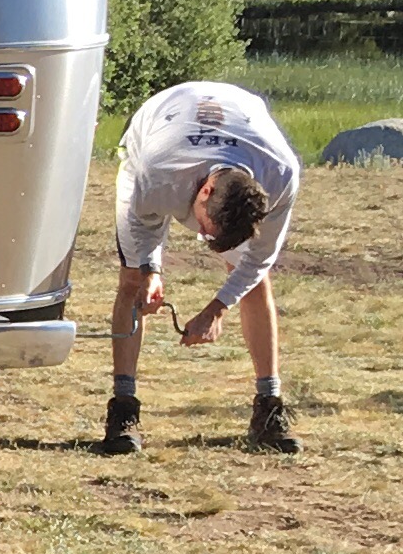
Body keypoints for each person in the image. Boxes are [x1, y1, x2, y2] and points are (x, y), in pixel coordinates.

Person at [101, 79, 302, 455]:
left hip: (240, 113)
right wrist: (150, 271)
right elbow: (142, 225)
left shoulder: (280, 176)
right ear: (205, 192)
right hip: (159, 125)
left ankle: (269, 407)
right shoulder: (158, 172)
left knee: (256, 283)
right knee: (131, 281)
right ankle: (123, 409)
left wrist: (217, 309)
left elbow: (258, 260)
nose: (204, 239)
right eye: (207, 229)